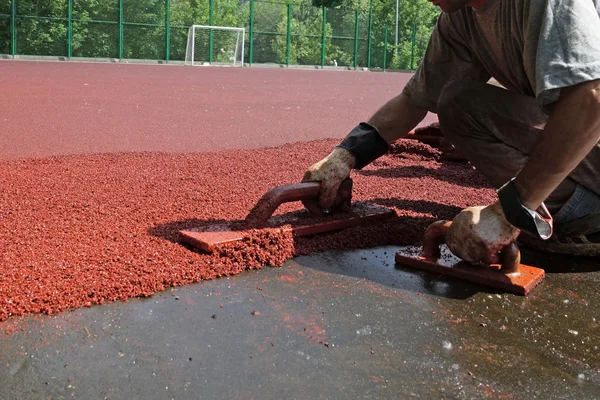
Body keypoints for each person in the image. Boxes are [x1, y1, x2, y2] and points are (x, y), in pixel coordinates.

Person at [302, 0, 600, 264]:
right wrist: (345, 156)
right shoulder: (462, 18)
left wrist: (511, 210)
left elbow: (592, 98)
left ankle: (588, 223)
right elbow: (416, 98)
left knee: (466, 104)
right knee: (460, 104)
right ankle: (576, 212)